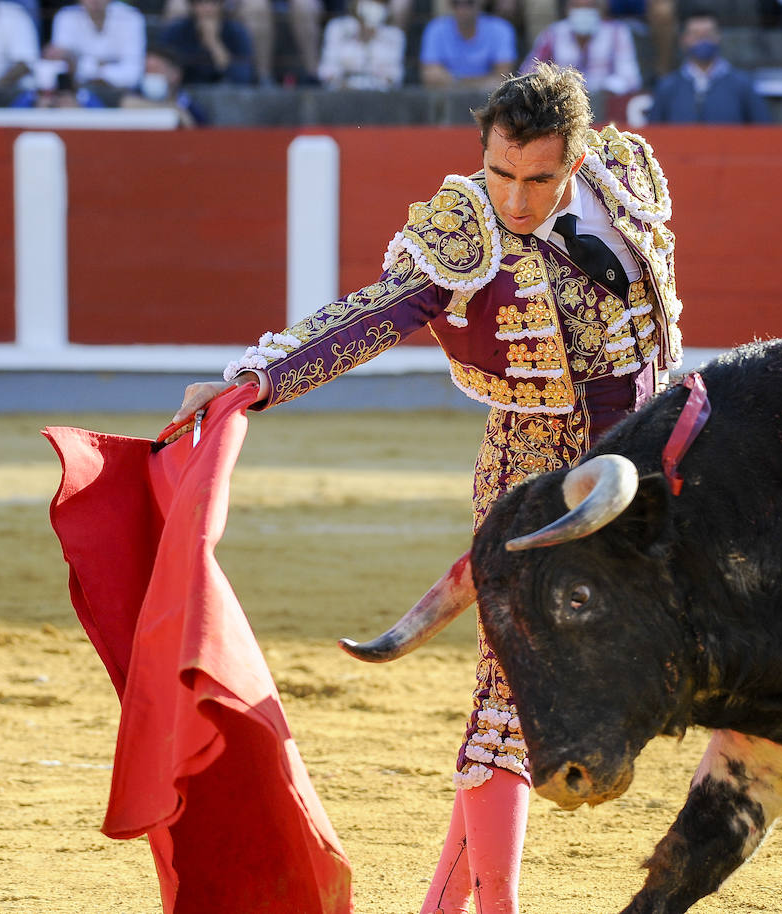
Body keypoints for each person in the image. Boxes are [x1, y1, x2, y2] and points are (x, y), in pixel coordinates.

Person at [171, 63, 683, 914]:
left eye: (540, 179)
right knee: (509, 692)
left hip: (649, 469)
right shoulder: (464, 229)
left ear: (580, 156)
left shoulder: (626, 176)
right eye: (500, 174)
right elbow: (372, 313)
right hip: (534, 474)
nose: (516, 202)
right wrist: (252, 379)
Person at [649, 9, 771, 121]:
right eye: (696, 34)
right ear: (684, 39)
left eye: (707, 34)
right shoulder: (668, 86)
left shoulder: (742, 84)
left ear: (718, 36)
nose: (702, 40)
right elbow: (653, 136)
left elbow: (764, 130)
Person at [520, 0, 643, 96]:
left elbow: (630, 79)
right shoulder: (552, 34)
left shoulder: (617, 32)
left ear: (600, 9)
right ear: (567, 9)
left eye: (589, 6)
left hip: (604, 107)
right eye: (577, 6)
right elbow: (527, 74)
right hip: (561, 105)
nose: (583, 11)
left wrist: (601, 90)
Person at [45, 0, 146, 92]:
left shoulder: (131, 17)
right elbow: (61, 68)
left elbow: (134, 73)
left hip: (121, 93)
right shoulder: (66, 17)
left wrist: (84, 66)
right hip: (77, 93)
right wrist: (104, 65)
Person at [419, 0, 518, 89]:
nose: (462, 9)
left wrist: (456, 82)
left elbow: (502, 79)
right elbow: (430, 76)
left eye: (469, 2)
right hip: (448, 103)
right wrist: (480, 83)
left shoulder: (501, 29)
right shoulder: (435, 29)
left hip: (490, 104)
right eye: (456, 3)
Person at [160, 0, 256, 84]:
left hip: (227, 95)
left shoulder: (237, 32)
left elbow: (242, 78)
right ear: (192, 6)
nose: (207, 8)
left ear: (221, 4)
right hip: (184, 93)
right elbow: (165, 72)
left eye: (213, 2)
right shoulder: (176, 31)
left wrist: (214, 44)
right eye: (200, 2)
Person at [316, 0, 406, 89]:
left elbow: (394, 77)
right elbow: (327, 72)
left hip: (380, 98)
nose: (372, 4)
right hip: (340, 95)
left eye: (378, 1)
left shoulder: (395, 35)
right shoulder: (336, 28)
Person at [121, 45, 209, 125]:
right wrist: (171, 110)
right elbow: (128, 103)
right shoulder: (138, 93)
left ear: (175, 74)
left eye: (156, 70)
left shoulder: (188, 103)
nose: (150, 75)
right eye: (147, 70)